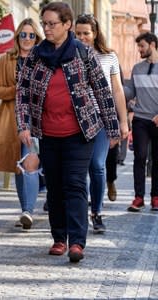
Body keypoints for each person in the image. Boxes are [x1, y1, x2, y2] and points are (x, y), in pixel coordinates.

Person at [15, 2, 120, 263]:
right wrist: (24, 124)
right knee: (55, 188)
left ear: (67, 25)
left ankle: (77, 242)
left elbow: (103, 92)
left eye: (52, 24)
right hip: (48, 134)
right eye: (44, 23)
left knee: (74, 185)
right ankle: (59, 238)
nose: (47, 28)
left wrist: (114, 128)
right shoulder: (36, 56)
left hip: (80, 133)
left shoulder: (84, 54)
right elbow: (23, 93)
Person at [75, 14, 129, 233]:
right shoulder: (68, 55)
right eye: (77, 33)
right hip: (75, 119)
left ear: (95, 34)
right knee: (77, 171)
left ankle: (96, 212)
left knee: (97, 166)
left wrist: (123, 121)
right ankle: (78, 213)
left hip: (101, 119)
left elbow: (117, 90)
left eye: (86, 33)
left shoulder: (109, 57)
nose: (82, 37)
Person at [0, 18, 43, 229]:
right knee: (18, 166)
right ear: (17, 37)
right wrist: (16, 90)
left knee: (30, 161)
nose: (27, 39)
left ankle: (28, 211)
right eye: (24, 34)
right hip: (11, 118)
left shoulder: (43, 59)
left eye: (32, 35)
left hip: (36, 119)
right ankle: (25, 210)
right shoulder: (6, 60)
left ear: (37, 38)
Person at [123, 32, 158, 212]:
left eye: (142, 46)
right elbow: (131, 92)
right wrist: (122, 93)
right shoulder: (137, 68)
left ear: (152, 45)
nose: (140, 50)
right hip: (141, 120)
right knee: (140, 157)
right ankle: (138, 197)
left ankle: (156, 197)